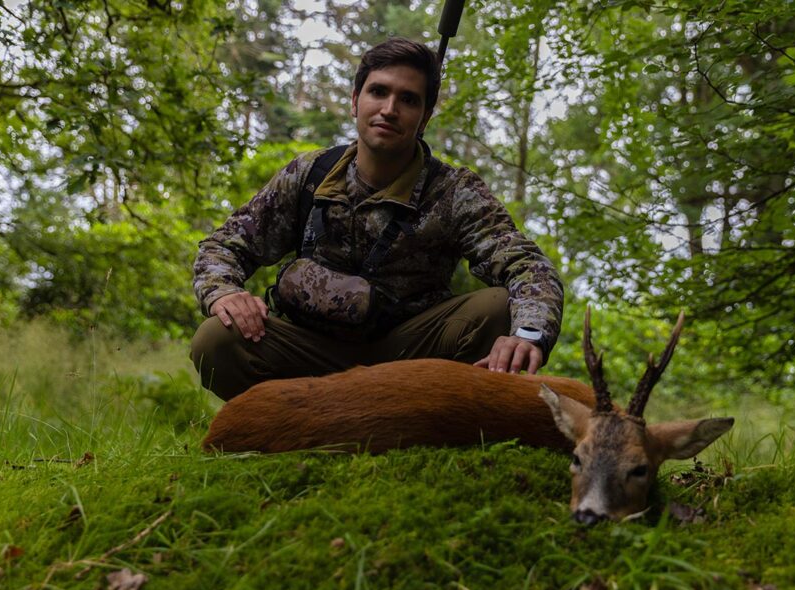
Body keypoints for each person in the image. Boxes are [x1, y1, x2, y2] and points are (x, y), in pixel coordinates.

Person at [191, 37, 563, 401]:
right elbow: (223, 245)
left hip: (410, 358)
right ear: (355, 101)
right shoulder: (310, 173)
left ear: (425, 117)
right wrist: (224, 292)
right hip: (308, 353)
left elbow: (527, 266)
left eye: (408, 99)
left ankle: (425, 423)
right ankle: (291, 423)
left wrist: (528, 334)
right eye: (378, 92)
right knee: (216, 340)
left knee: (495, 308)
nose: (389, 109)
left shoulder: (453, 191)